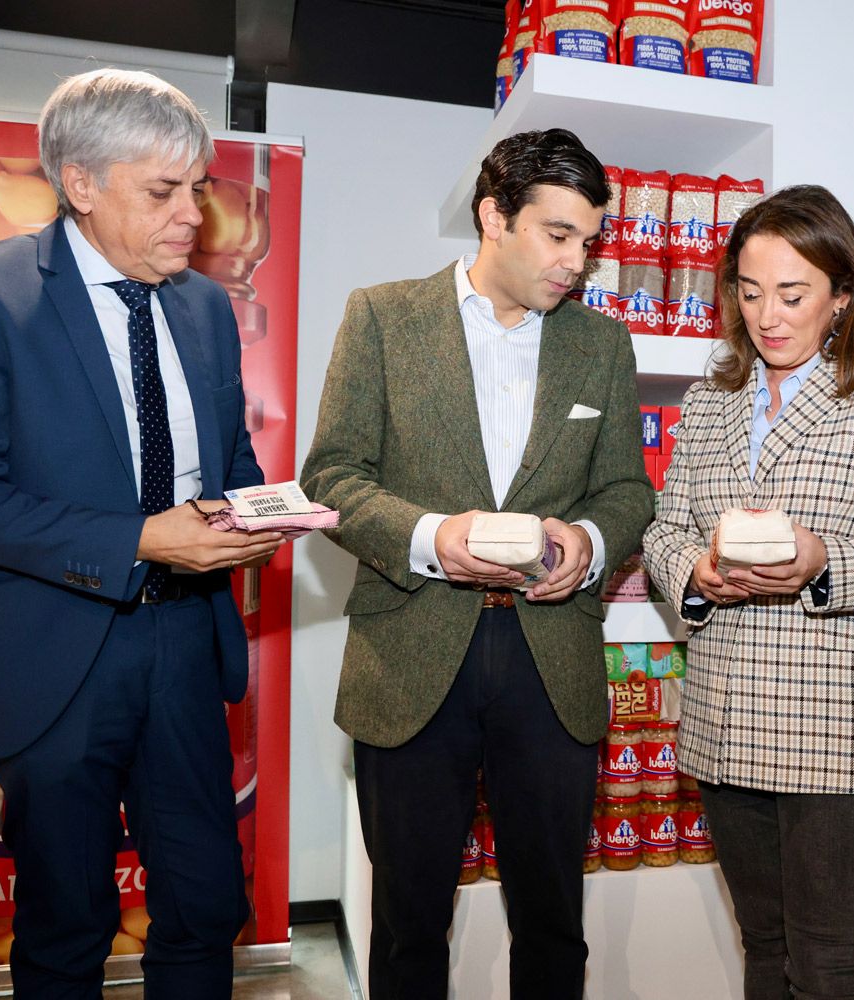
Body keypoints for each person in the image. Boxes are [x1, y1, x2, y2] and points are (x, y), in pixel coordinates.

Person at [0, 69, 281, 997]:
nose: (193, 214)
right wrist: (142, 540)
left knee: (205, 902)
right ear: (80, 183)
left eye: (198, 187)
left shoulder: (203, 305)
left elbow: (227, 456)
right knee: (66, 918)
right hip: (52, 650)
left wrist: (259, 513)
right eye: (163, 191)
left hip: (185, 640)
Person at [300, 127, 652, 998]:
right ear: (494, 217)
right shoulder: (382, 317)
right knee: (408, 924)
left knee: (553, 924)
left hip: (550, 659)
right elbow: (332, 475)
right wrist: (432, 537)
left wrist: (588, 542)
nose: (577, 262)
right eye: (558, 234)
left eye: (588, 240)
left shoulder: (601, 345)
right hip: (410, 654)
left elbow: (625, 491)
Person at [642, 185, 854, 999]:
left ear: (843, 294)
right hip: (723, 721)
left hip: (843, 722)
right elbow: (664, 530)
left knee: (828, 967)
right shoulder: (710, 401)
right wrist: (695, 574)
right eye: (750, 293)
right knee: (764, 952)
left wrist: (824, 563)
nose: (768, 317)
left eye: (792, 294)